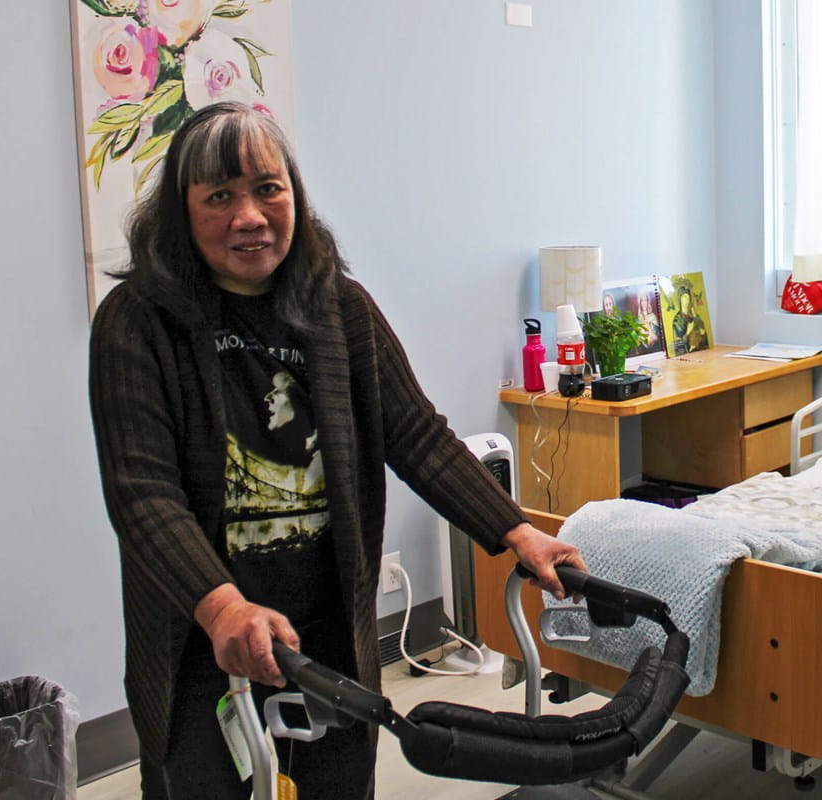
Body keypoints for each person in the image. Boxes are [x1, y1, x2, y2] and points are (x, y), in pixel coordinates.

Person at [88, 101, 586, 799]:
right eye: (220, 197)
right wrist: (223, 607)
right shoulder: (138, 323)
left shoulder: (338, 307)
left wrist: (515, 530)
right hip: (202, 644)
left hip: (328, 638)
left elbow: (415, 433)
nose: (250, 216)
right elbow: (143, 495)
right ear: (181, 212)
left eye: (268, 189)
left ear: (294, 195)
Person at [671, 285, 707, 355]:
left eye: (688, 297)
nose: (687, 299)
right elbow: (678, 346)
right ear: (680, 299)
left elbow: (704, 338)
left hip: (700, 353)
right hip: (687, 356)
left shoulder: (695, 316)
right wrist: (688, 332)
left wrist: (702, 333)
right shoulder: (677, 320)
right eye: (684, 296)